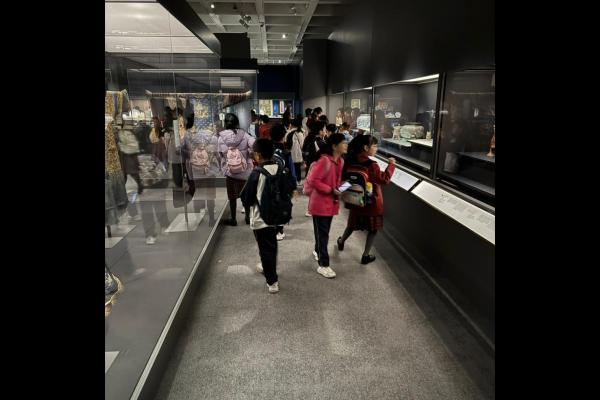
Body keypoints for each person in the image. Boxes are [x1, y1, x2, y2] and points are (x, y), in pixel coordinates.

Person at [337, 135, 395, 264]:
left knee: (352, 225)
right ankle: (365, 255)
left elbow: (344, 179)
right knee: (373, 229)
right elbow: (384, 179)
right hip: (371, 202)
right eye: (374, 146)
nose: (376, 148)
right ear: (365, 147)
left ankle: (341, 241)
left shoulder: (350, 160)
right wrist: (391, 165)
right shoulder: (371, 165)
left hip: (356, 200)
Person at [240, 139, 282, 294]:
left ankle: (272, 281)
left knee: (265, 249)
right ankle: (269, 267)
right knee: (272, 245)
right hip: (278, 217)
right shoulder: (280, 168)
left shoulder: (256, 173)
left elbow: (246, 198)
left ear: (257, 155)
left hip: (261, 219)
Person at [305, 133, 348, 278]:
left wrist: (342, 188)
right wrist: (331, 190)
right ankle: (323, 265)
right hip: (320, 203)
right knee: (323, 234)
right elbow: (313, 180)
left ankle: (317, 251)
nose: (346, 145)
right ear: (334, 146)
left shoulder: (340, 161)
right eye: (343, 142)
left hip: (331, 203)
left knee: (323, 232)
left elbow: (337, 181)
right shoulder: (324, 160)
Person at [218, 113, 256, 226]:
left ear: (225, 123)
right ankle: (247, 217)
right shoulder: (245, 135)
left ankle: (233, 219)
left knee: (232, 197)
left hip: (230, 173)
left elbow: (220, 155)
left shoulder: (221, 137)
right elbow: (254, 145)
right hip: (245, 173)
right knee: (246, 196)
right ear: (237, 122)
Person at [270, 124, 298, 241]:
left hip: (269, 183)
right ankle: (279, 230)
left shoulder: (267, 149)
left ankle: (270, 227)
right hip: (283, 184)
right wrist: (294, 187)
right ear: (283, 136)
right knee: (282, 206)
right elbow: (292, 171)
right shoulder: (285, 152)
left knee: (270, 204)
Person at [285, 116, 305, 184]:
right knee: (297, 167)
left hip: (289, 153)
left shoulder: (288, 132)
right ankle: (298, 181)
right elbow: (302, 144)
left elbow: (285, 141)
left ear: (292, 125)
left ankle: (292, 181)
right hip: (297, 153)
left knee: (291, 167)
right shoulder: (300, 133)